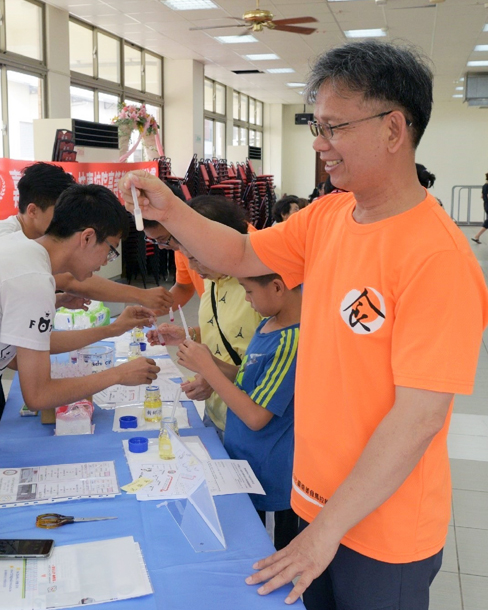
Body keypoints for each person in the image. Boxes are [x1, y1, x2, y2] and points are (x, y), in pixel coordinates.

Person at [120, 40, 488, 609]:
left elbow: (418, 419)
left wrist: (325, 532)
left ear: (394, 130)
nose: (319, 144)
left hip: (379, 532)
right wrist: (172, 210)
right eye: (317, 125)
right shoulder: (332, 214)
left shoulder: (438, 260)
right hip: (314, 505)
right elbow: (242, 254)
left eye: (334, 127)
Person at [0, 184, 161, 499]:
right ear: (86, 237)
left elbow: (29, 351)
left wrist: (109, 331)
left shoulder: (21, 253)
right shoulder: (32, 279)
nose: (107, 261)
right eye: (110, 249)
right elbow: (38, 394)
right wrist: (117, 375)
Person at [0, 162, 174, 315]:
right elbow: (71, 280)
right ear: (32, 210)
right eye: (60, 208)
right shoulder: (5, 244)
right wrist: (139, 296)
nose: (68, 216)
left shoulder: (30, 246)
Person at [177, 272, 301, 551]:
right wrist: (210, 362)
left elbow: (257, 417)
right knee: (242, 545)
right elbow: (245, 376)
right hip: (244, 463)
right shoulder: (269, 325)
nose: (246, 299)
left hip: (267, 481)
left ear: (278, 287)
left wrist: (208, 368)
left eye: (249, 292)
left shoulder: (291, 341)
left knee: (264, 553)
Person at [147, 196, 262, 436]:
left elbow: (269, 367)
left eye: (196, 258)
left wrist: (212, 377)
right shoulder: (212, 278)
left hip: (248, 419)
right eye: (187, 258)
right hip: (216, 412)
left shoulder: (259, 287)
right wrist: (186, 335)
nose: (195, 268)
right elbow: (222, 334)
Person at [472, 172, 488, 243]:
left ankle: (477, 236)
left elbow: (482, 196)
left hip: (486, 205)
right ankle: (477, 236)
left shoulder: (484, 185)